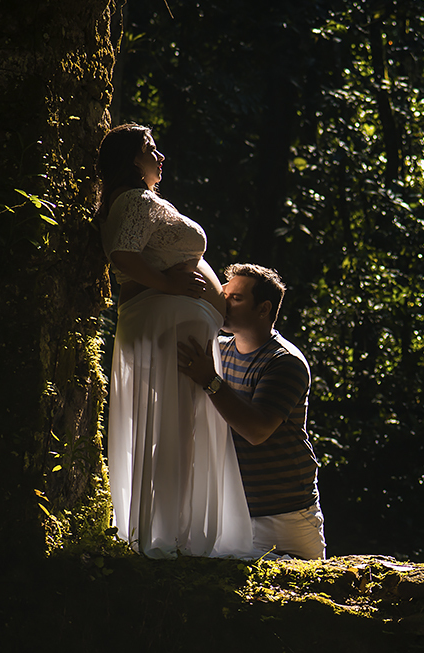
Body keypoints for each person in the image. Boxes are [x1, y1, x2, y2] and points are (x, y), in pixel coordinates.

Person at [96, 123, 254, 558]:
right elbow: (123, 256)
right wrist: (167, 286)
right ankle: (172, 537)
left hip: (171, 320)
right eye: (151, 149)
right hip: (169, 321)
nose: (161, 157)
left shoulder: (133, 201)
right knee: (180, 428)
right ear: (132, 159)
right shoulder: (136, 200)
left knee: (179, 426)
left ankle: (173, 531)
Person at [177, 264, 325, 559]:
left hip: (286, 514)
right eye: (224, 294)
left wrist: (210, 380)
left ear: (263, 308)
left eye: (236, 298)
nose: (224, 303)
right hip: (233, 510)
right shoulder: (217, 351)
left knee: (305, 598)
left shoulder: (284, 362)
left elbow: (257, 431)